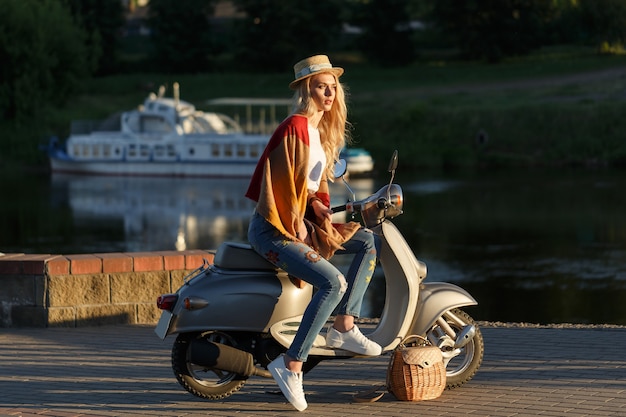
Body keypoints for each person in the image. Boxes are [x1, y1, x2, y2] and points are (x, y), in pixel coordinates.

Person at [245, 55, 382, 411]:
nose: (330, 93)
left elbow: (309, 190)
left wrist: (320, 209)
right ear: (308, 90)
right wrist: (303, 223)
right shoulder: (294, 127)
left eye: (333, 87)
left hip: (297, 222)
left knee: (367, 241)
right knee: (333, 283)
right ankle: (291, 364)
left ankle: (344, 325)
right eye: (322, 87)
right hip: (274, 229)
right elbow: (279, 190)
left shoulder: (319, 134)